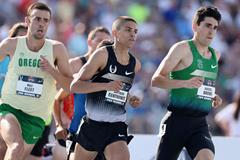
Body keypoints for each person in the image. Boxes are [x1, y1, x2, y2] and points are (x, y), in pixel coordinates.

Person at [0, 2, 73, 160]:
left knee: (17, 155)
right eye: (37, 19)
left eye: (46, 20)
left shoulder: (57, 49)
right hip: (9, 109)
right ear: (27, 21)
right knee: (15, 145)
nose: (41, 24)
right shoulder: (11, 45)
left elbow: (69, 85)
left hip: (36, 118)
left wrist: (52, 70)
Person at [151, 6, 223, 160]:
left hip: (199, 125)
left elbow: (201, 85)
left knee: (206, 157)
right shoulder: (182, 48)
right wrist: (184, 83)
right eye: (207, 26)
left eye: (215, 28)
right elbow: (156, 80)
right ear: (195, 25)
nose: (211, 31)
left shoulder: (215, 55)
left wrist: (212, 95)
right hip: (176, 122)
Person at [70, 16, 141, 160]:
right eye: (128, 30)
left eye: (135, 31)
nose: (133, 34)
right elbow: (75, 86)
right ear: (115, 32)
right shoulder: (102, 55)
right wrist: (105, 85)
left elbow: (118, 91)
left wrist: (130, 98)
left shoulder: (135, 64)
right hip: (92, 126)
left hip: (116, 126)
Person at [53, 26, 111, 160]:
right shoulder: (76, 67)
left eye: (107, 42)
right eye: (99, 40)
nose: (102, 46)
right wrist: (60, 123)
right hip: (74, 128)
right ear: (89, 42)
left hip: (100, 132)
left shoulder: (111, 73)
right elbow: (57, 94)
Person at [0, 23, 27, 98]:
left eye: (26, 39)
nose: (23, 42)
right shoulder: (2, 58)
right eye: (20, 38)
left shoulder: (31, 63)